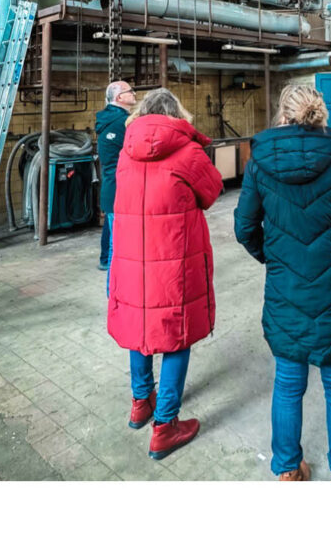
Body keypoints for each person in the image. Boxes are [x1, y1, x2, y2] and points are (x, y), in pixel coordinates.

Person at [234, 84, 331, 481]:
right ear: (320, 114)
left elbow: (244, 227)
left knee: (287, 383)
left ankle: (287, 470)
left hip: (287, 291)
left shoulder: (260, 163)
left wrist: (274, 259)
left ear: (283, 115)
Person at [108, 88, 223, 460]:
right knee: (177, 334)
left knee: (139, 329)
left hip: (131, 258)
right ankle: (165, 426)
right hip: (174, 260)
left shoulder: (126, 151)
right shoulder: (188, 152)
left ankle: (141, 402)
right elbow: (212, 191)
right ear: (176, 114)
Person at [95, 80, 136, 272]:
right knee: (117, 236)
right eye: (130, 91)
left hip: (111, 185)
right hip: (122, 185)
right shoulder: (123, 122)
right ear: (120, 97)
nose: (134, 93)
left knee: (111, 225)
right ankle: (113, 272)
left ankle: (105, 259)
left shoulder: (108, 119)